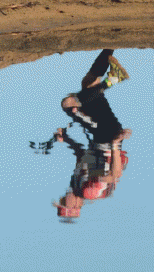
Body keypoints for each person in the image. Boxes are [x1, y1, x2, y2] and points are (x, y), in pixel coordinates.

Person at [51, 48, 131, 220]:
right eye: (64, 200)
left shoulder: (76, 185)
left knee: (88, 83)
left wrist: (67, 140)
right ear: (74, 205)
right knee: (69, 104)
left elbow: (82, 155)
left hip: (100, 136)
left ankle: (109, 47)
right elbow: (114, 175)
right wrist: (116, 145)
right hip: (107, 136)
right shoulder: (89, 192)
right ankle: (113, 79)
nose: (64, 196)